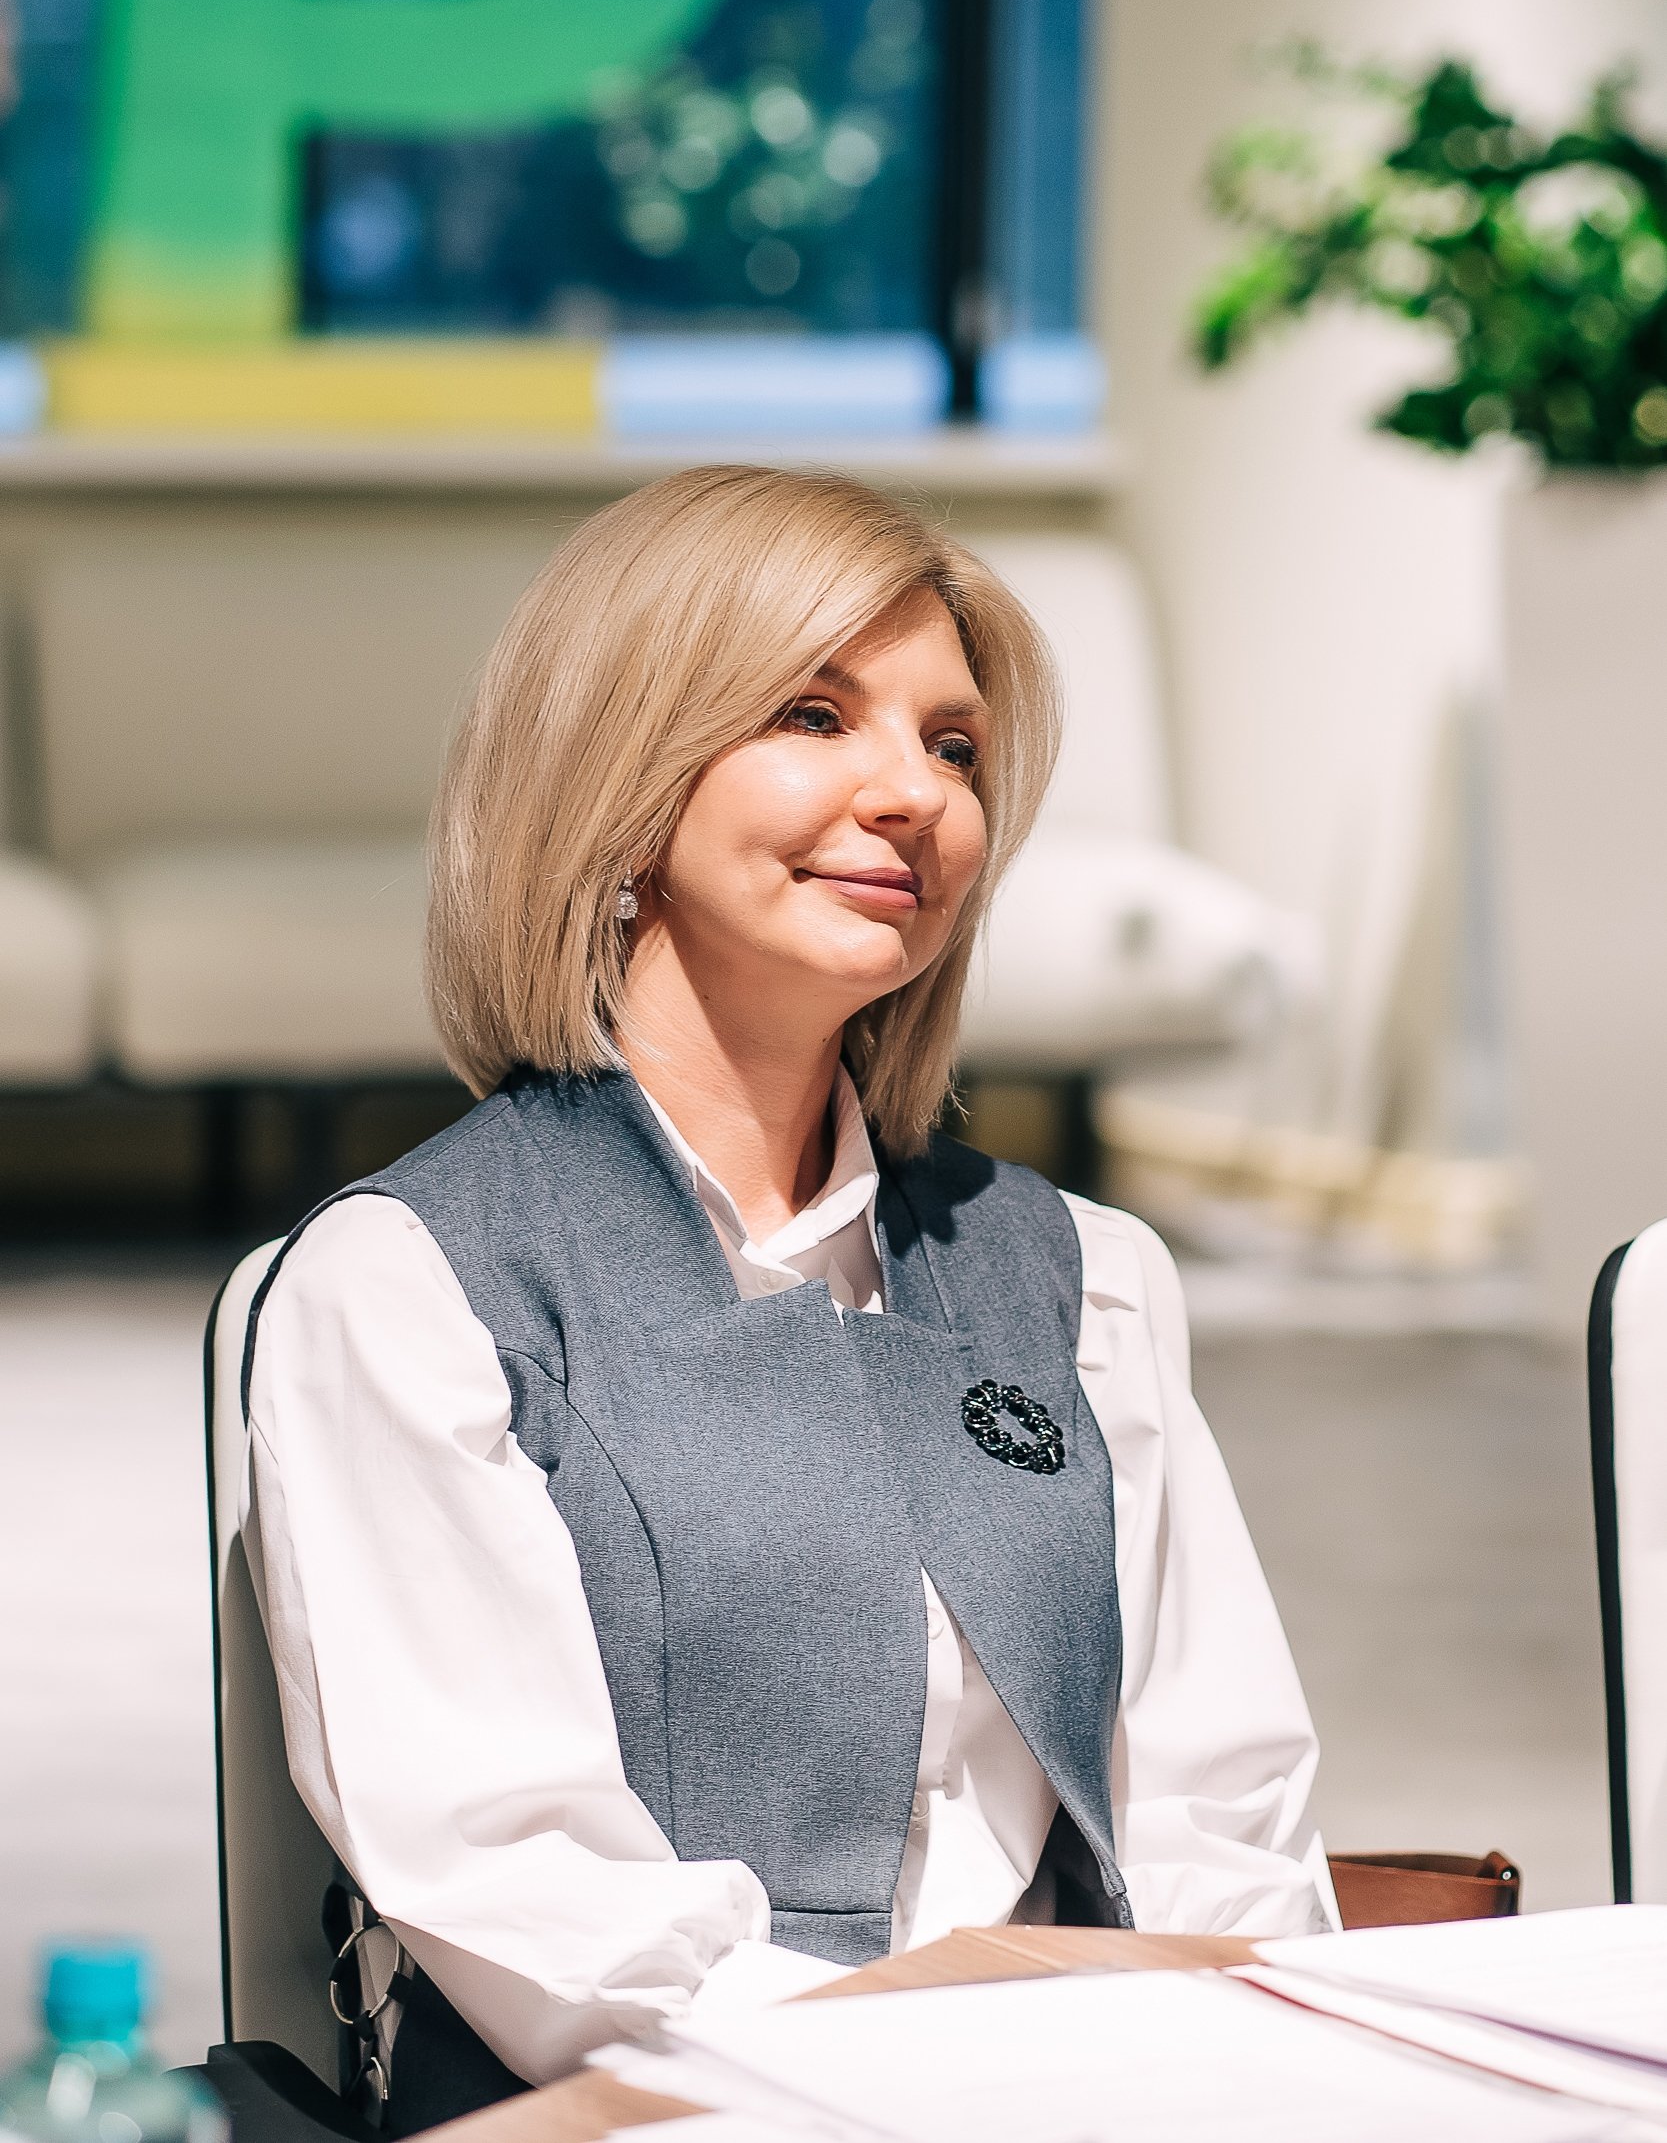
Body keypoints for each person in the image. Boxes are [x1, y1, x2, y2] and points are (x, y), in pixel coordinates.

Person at [240, 464, 1333, 2133]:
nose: (914, 796)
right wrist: (934, 2068)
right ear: (622, 777)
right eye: (815, 716)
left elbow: (1221, 1816)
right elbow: (521, 1885)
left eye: (953, 747)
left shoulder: (1088, 1278)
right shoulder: (409, 1285)